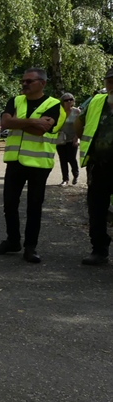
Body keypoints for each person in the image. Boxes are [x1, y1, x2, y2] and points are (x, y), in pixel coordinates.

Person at [0, 68, 65, 264]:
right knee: (9, 204)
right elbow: (5, 122)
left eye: (29, 81)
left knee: (34, 206)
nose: (24, 84)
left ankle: (31, 247)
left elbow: (42, 130)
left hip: (39, 163)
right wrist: (32, 121)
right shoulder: (15, 100)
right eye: (23, 81)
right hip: (15, 160)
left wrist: (18, 122)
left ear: (42, 83)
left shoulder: (54, 104)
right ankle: (13, 241)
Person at [74, 69, 113, 265]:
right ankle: (99, 250)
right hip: (98, 165)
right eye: (110, 81)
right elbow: (78, 122)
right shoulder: (97, 101)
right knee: (96, 209)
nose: (112, 85)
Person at [54, 92, 81, 187]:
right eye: (66, 100)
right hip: (61, 140)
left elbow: (80, 126)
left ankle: (75, 174)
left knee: (71, 158)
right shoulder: (59, 112)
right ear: (62, 102)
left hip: (72, 139)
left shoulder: (77, 111)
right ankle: (65, 179)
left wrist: (76, 138)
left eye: (71, 99)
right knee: (63, 160)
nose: (69, 101)